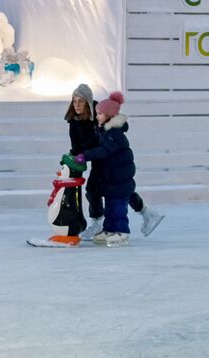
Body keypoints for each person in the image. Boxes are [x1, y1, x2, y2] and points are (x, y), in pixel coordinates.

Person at [67, 84, 163, 238]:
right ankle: (99, 223)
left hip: (110, 159)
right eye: (74, 101)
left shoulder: (101, 112)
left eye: (81, 101)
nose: (77, 105)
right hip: (98, 159)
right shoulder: (74, 121)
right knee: (95, 190)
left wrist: (90, 152)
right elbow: (77, 146)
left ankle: (140, 216)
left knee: (120, 191)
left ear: (89, 102)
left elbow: (116, 124)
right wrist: (76, 160)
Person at [71, 91, 136, 247]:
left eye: (100, 114)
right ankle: (109, 230)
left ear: (109, 116)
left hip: (120, 179)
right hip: (111, 179)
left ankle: (122, 232)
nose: (97, 116)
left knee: (118, 209)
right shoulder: (106, 131)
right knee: (110, 208)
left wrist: (84, 156)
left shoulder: (115, 134)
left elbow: (103, 151)